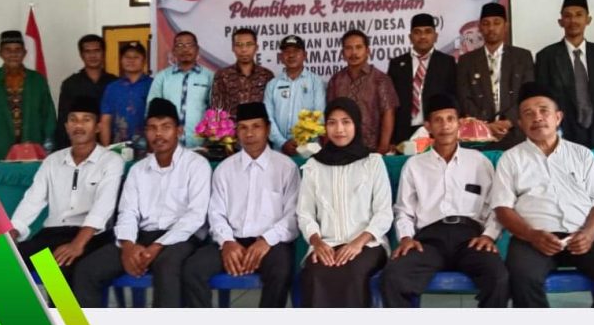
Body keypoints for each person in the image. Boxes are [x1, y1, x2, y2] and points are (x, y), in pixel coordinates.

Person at [490, 81, 594, 308]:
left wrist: (588, 234)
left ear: (558, 117)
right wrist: (532, 235)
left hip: (579, 236)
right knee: (522, 277)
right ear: (520, 123)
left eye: (544, 111)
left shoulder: (582, 155)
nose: (537, 118)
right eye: (528, 114)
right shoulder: (511, 159)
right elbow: (502, 208)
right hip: (532, 239)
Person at [72, 98, 211, 308]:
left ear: (179, 131)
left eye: (165, 127)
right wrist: (128, 246)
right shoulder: (52, 163)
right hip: (130, 236)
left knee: (166, 266)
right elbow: (128, 213)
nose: (158, 134)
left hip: (180, 237)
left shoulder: (196, 165)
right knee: (84, 270)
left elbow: (195, 216)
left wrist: (155, 246)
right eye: (152, 128)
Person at [380, 94, 509, 308]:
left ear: (459, 124)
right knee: (393, 276)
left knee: (499, 277)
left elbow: (495, 206)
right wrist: (406, 238)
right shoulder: (414, 165)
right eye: (438, 120)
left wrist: (489, 235)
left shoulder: (479, 162)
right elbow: (404, 210)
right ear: (428, 126)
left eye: (450, 119)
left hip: (470, 239)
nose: (445, 126)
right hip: (429, 241)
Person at [182, 102, 299, 307]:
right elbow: (215, 213)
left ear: (267, 129)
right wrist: (227, 242)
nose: (249, 133)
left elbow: (293, 215)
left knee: (281, 271)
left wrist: (266, 240)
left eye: (256, 126)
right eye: (243, 128)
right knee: (192, 269)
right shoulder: (225, 169)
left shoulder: (286, 167)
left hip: (271, 243)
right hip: (232, 240)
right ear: (236, 132)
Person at [9, 96, 124, 283]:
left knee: (60, 267)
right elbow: (32, 200)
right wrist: (13, 231)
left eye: (86, 120)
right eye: (73, 120)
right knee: (5, 262)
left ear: (97, 127)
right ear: (66, 126)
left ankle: (60, 303)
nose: (79, 125)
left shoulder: (111, 161)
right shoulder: (52, 161)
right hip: (52, 234)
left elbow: (103, 207)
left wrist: (77, 244)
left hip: (90, 236)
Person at [296, 97, 393, 307]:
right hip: (326, 244)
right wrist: (317, 243)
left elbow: (384, 212)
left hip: (368, 244)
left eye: (346, 122)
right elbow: (305, 213)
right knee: (315, 273)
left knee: (352, 271)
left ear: (356, 125)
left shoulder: (372, 162)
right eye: (332, 123)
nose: (339, 129)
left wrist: (358, 243)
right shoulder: (314, 165)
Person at [535, 0, 594, 148]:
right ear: (560, 22)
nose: (573, 20)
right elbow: (543, 101)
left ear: (588, 19)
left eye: (579, 15)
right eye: (568, 16)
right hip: (562, 136)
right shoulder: (546, 57)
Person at [0, 30, 56, 169]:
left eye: (17, 50)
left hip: (33, 151)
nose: (13, 54)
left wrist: (49, 147)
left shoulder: (37, 80)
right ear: (0, 53)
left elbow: (48, 115)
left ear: (24, 53)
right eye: (8, 50)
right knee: (1, 182)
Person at [456, 3, 534, 150]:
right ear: (480, 27)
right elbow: (464, 98)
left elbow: (528, 94)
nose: (491, 28)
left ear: (506, 26)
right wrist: (486, 126)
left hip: (516, 133)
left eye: (496, 23)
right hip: (479, 137)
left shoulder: (522, 57)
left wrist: (508, 122)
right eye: (486, 24)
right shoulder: (467, 61)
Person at [387, 13, 457, 145]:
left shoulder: (447, 63)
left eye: (428, 32)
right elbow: (390, 103)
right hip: (402, 133)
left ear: (435, 36)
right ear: (410, 37)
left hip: (436, 131)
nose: (423, 36)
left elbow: (453, 98)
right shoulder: (397, 64)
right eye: (417, 32)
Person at [326, 30, 399, 154]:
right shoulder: (336, 80)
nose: (354, 52)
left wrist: (383, 146)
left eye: (358, 47)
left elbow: (388, 113)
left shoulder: (380, 79)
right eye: (348, 48)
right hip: (341, 148)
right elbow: (329, 114)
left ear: (368, 51)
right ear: (342, 53)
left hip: (371, 148)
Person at [146, 31, 213, 148]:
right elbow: (151, 110)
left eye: (189, 45)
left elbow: (215, 111)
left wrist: (211, 142)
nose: (185, 49)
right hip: (167, 145)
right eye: (180, 45)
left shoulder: (209, 76)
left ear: (197, 49)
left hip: (201, 145)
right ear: (174, 51)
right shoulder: (162, 77)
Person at [263, 35, 325, 156]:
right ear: (281, 57)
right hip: (279, 150)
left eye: (296, 51)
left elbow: (319, 115)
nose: (291, 55)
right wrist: (282, 143)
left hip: (309, 149)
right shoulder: (272, 84)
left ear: (305, 55)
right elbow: (268, 118)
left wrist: (301, 141)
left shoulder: (316, 82)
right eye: (286, 51)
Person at [54, 34, 116, 149]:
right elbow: (64, 120)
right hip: (80, 146)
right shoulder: (70, 84)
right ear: (81, 55)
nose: (92, 55)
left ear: (103, 53)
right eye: (87, 51)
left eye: (97, 51)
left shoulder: (115, 83)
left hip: (111, 146)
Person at [210, 28, 274, 120]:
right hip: (231, 128)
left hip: (259, 127)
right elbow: (216, 109)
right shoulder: (223, 75)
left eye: (249, 44)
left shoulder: (266, 75)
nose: (244, 49)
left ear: (256, 47)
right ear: (233, 48)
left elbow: (271, 109)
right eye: (239, 45)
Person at [99, 41, 153, 146]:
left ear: (144, 61)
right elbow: (105, 121)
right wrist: (106, 149)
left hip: (147, 146)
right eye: (127, 57)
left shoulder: (153, 85)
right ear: (121, 60)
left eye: (136, 57)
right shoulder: (112, 88)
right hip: (118, 146)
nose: (131, 60)